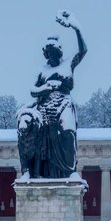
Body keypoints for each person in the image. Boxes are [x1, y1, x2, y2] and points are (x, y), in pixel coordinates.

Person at [17, 10, 86, 178]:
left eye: (54, 52)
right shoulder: (41, 71)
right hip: (45, 108)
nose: (52, 55)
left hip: (64, 104)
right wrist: (46, 88)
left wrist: (77, 28)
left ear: (59, 52)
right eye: (49, 52)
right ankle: (33, 172)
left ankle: (69, 173)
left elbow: (83, 51)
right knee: (35, 133)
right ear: (46, 53)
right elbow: (33, 91)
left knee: (67, 132)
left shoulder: (68, 64)